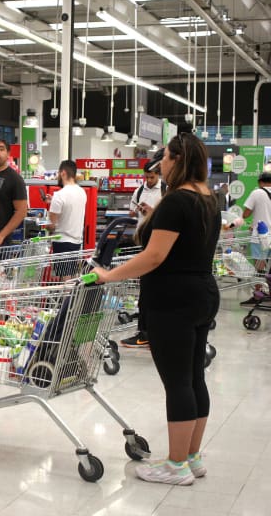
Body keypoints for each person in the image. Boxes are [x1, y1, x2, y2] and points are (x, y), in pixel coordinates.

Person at [91, 131, 220, 486]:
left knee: (177, 381)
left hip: (173, 297)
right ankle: (191, 457)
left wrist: (108, 276)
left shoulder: (177, 200)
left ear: (177, 159)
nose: (159, 163)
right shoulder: (207, 197)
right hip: (202, 292)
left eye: (164, 157)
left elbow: (154, 256)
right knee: (194, 377)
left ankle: (175, 465)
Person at [121, 155, 166, 348]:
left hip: (157, 241)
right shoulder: (139, 191)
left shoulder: (165, 191)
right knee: (146, 286)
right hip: (142, 239)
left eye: (151, 178)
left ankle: (147, 331)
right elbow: (132, 211)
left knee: (150, 287)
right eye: (146, 177)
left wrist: (152, 211)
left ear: (158, 175)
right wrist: (136, 210)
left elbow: (167, 214)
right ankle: (147, 328)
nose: (148, 181)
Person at [45, 159, 87, 277]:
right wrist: (53, 201)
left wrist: (43, 223)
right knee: (71, 276)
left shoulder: (60, 195)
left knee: (65, 279)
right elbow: (70, 208)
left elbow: (51, 225)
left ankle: (67, 296)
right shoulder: (82, 192)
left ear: (63, 173)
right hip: (76, 242)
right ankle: (71, 296)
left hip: (62, 241)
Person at [0, 138, 28, 248]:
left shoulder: (15, 179)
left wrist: (1, 236)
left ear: (8, 154)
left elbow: (21, 211)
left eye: (1, 149)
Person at [239, 171, 271, 305]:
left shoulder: (257, 192)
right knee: (268, 267)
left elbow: (246, 214)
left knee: (260, 265)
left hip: (260, 236)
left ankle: (258, 295)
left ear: (260, 182)